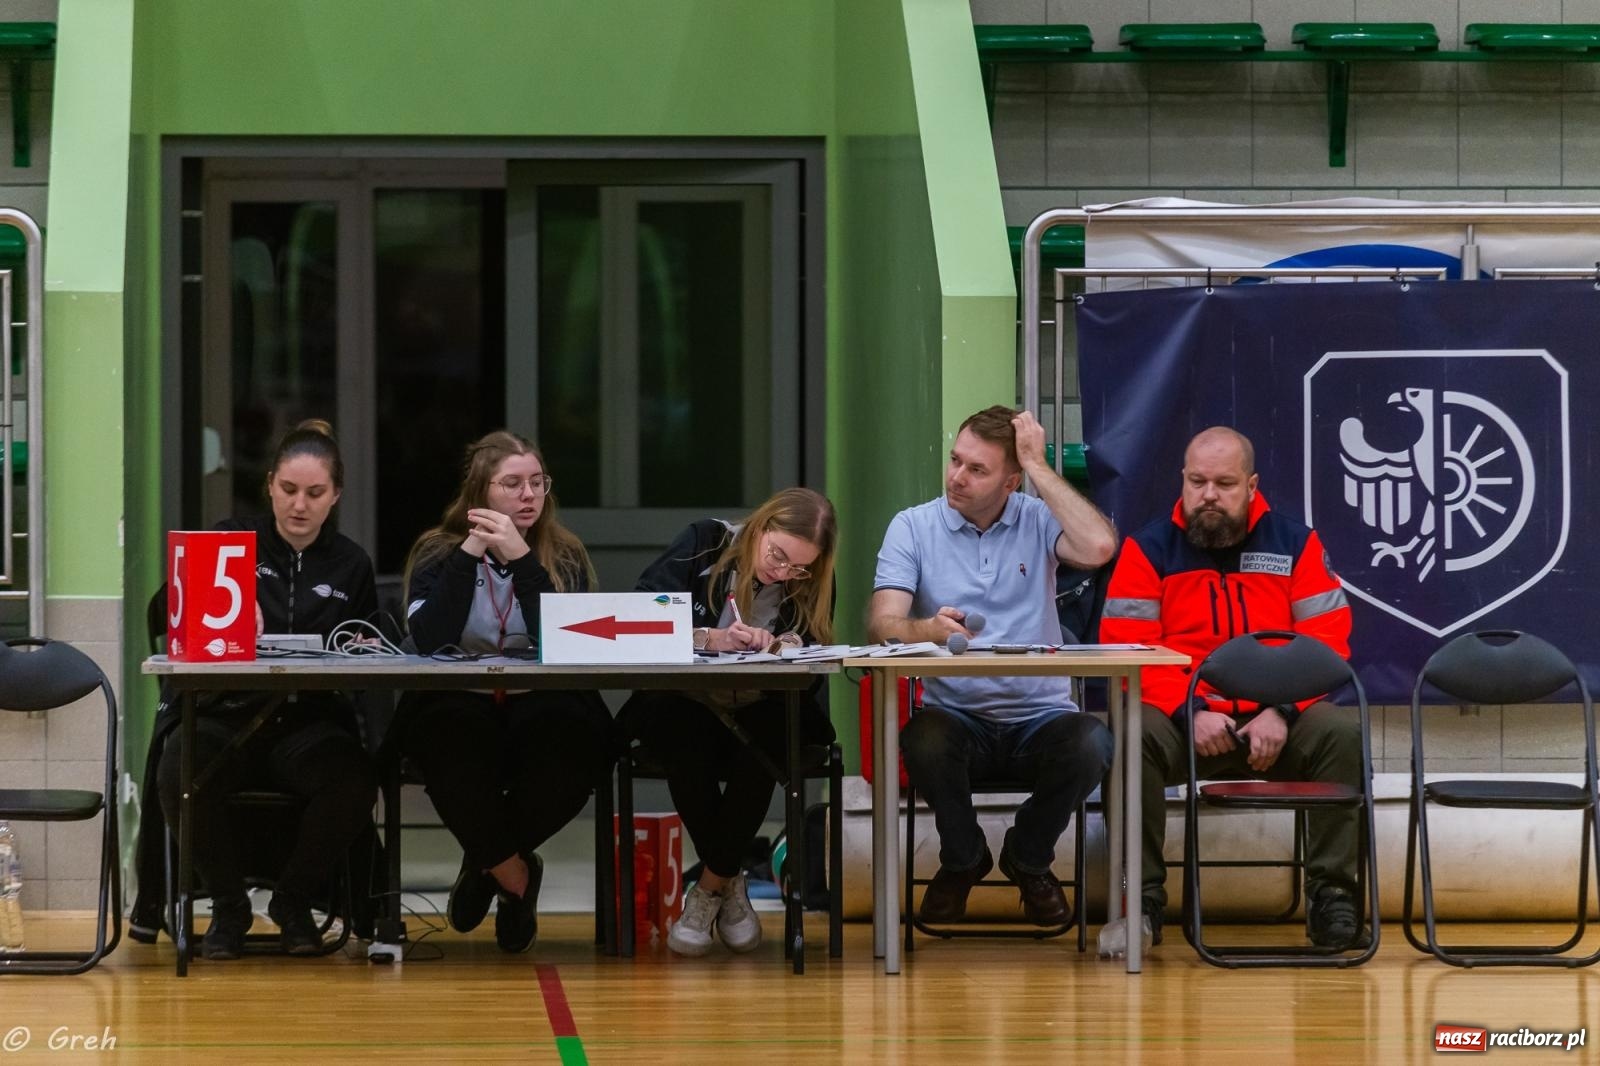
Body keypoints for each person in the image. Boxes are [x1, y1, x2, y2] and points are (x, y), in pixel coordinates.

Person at [1100, 426, 1361, 949]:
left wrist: (1283, 711)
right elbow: (1129, 651)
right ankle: (1140, 906)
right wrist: (1189, 711)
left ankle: (1334, 900)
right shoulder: (1147, 550)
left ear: (1252, 484)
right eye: (1197, 481)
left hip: (1278, 724)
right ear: (1183, 480)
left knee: (1342, 730)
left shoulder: (1297, 544)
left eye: (1224, 482)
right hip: (1186, 724)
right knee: (1129, 735)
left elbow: (1328, 645)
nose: (1209, 495)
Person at [868, 406, 1118, 926]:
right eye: (956, 460)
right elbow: (882, 626)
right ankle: (963, 860)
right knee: (922, 738)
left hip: (1040, 719)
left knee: (1093, 741)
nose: (957, 477)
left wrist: (1040, 465)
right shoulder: (912, 526)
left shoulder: (1036, 514)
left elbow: (1098, 546)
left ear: (1012, 479)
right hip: (958, 720)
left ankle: (1027, 859)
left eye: (977, 470)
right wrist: (927, 630)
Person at [146, 419, 379, 960]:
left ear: (335, 495)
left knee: (354, 778)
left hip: (309, 724)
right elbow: (163, 615)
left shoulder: (351, 563)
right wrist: (207, 597)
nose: (300, 505)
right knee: (176, 764)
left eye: (315, 493)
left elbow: (369, 642)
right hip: (228, 716)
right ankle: (229, 906)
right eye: (289, 490)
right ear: (270, 485)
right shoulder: (229, 540)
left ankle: (293, 902)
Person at [398, 430, 615, 954]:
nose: (529, 496)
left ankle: (485, 865)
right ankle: (516, 878)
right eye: (513, 484)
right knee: (450, 759)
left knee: (568, 762)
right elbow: (429, 639)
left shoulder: (563, 554)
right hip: (457, 692)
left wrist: (521, 560)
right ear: (481, 493)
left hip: (544, 692)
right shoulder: (437, 551)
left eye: (538, 483)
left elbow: (563, 641)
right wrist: (471, 552)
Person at [618, 488, 838, 956]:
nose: (782, 572)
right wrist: (710, 638)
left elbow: (814, 648)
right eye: (777, 555)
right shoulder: (705, 542)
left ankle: (709, 888)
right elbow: (640, 616)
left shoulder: (812, 578)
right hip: (689, 700)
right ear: (760, 527)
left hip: (762, 705)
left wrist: (780, 646)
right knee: (684, 742)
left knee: (767, 746)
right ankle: (730, 881)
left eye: (796, 567)